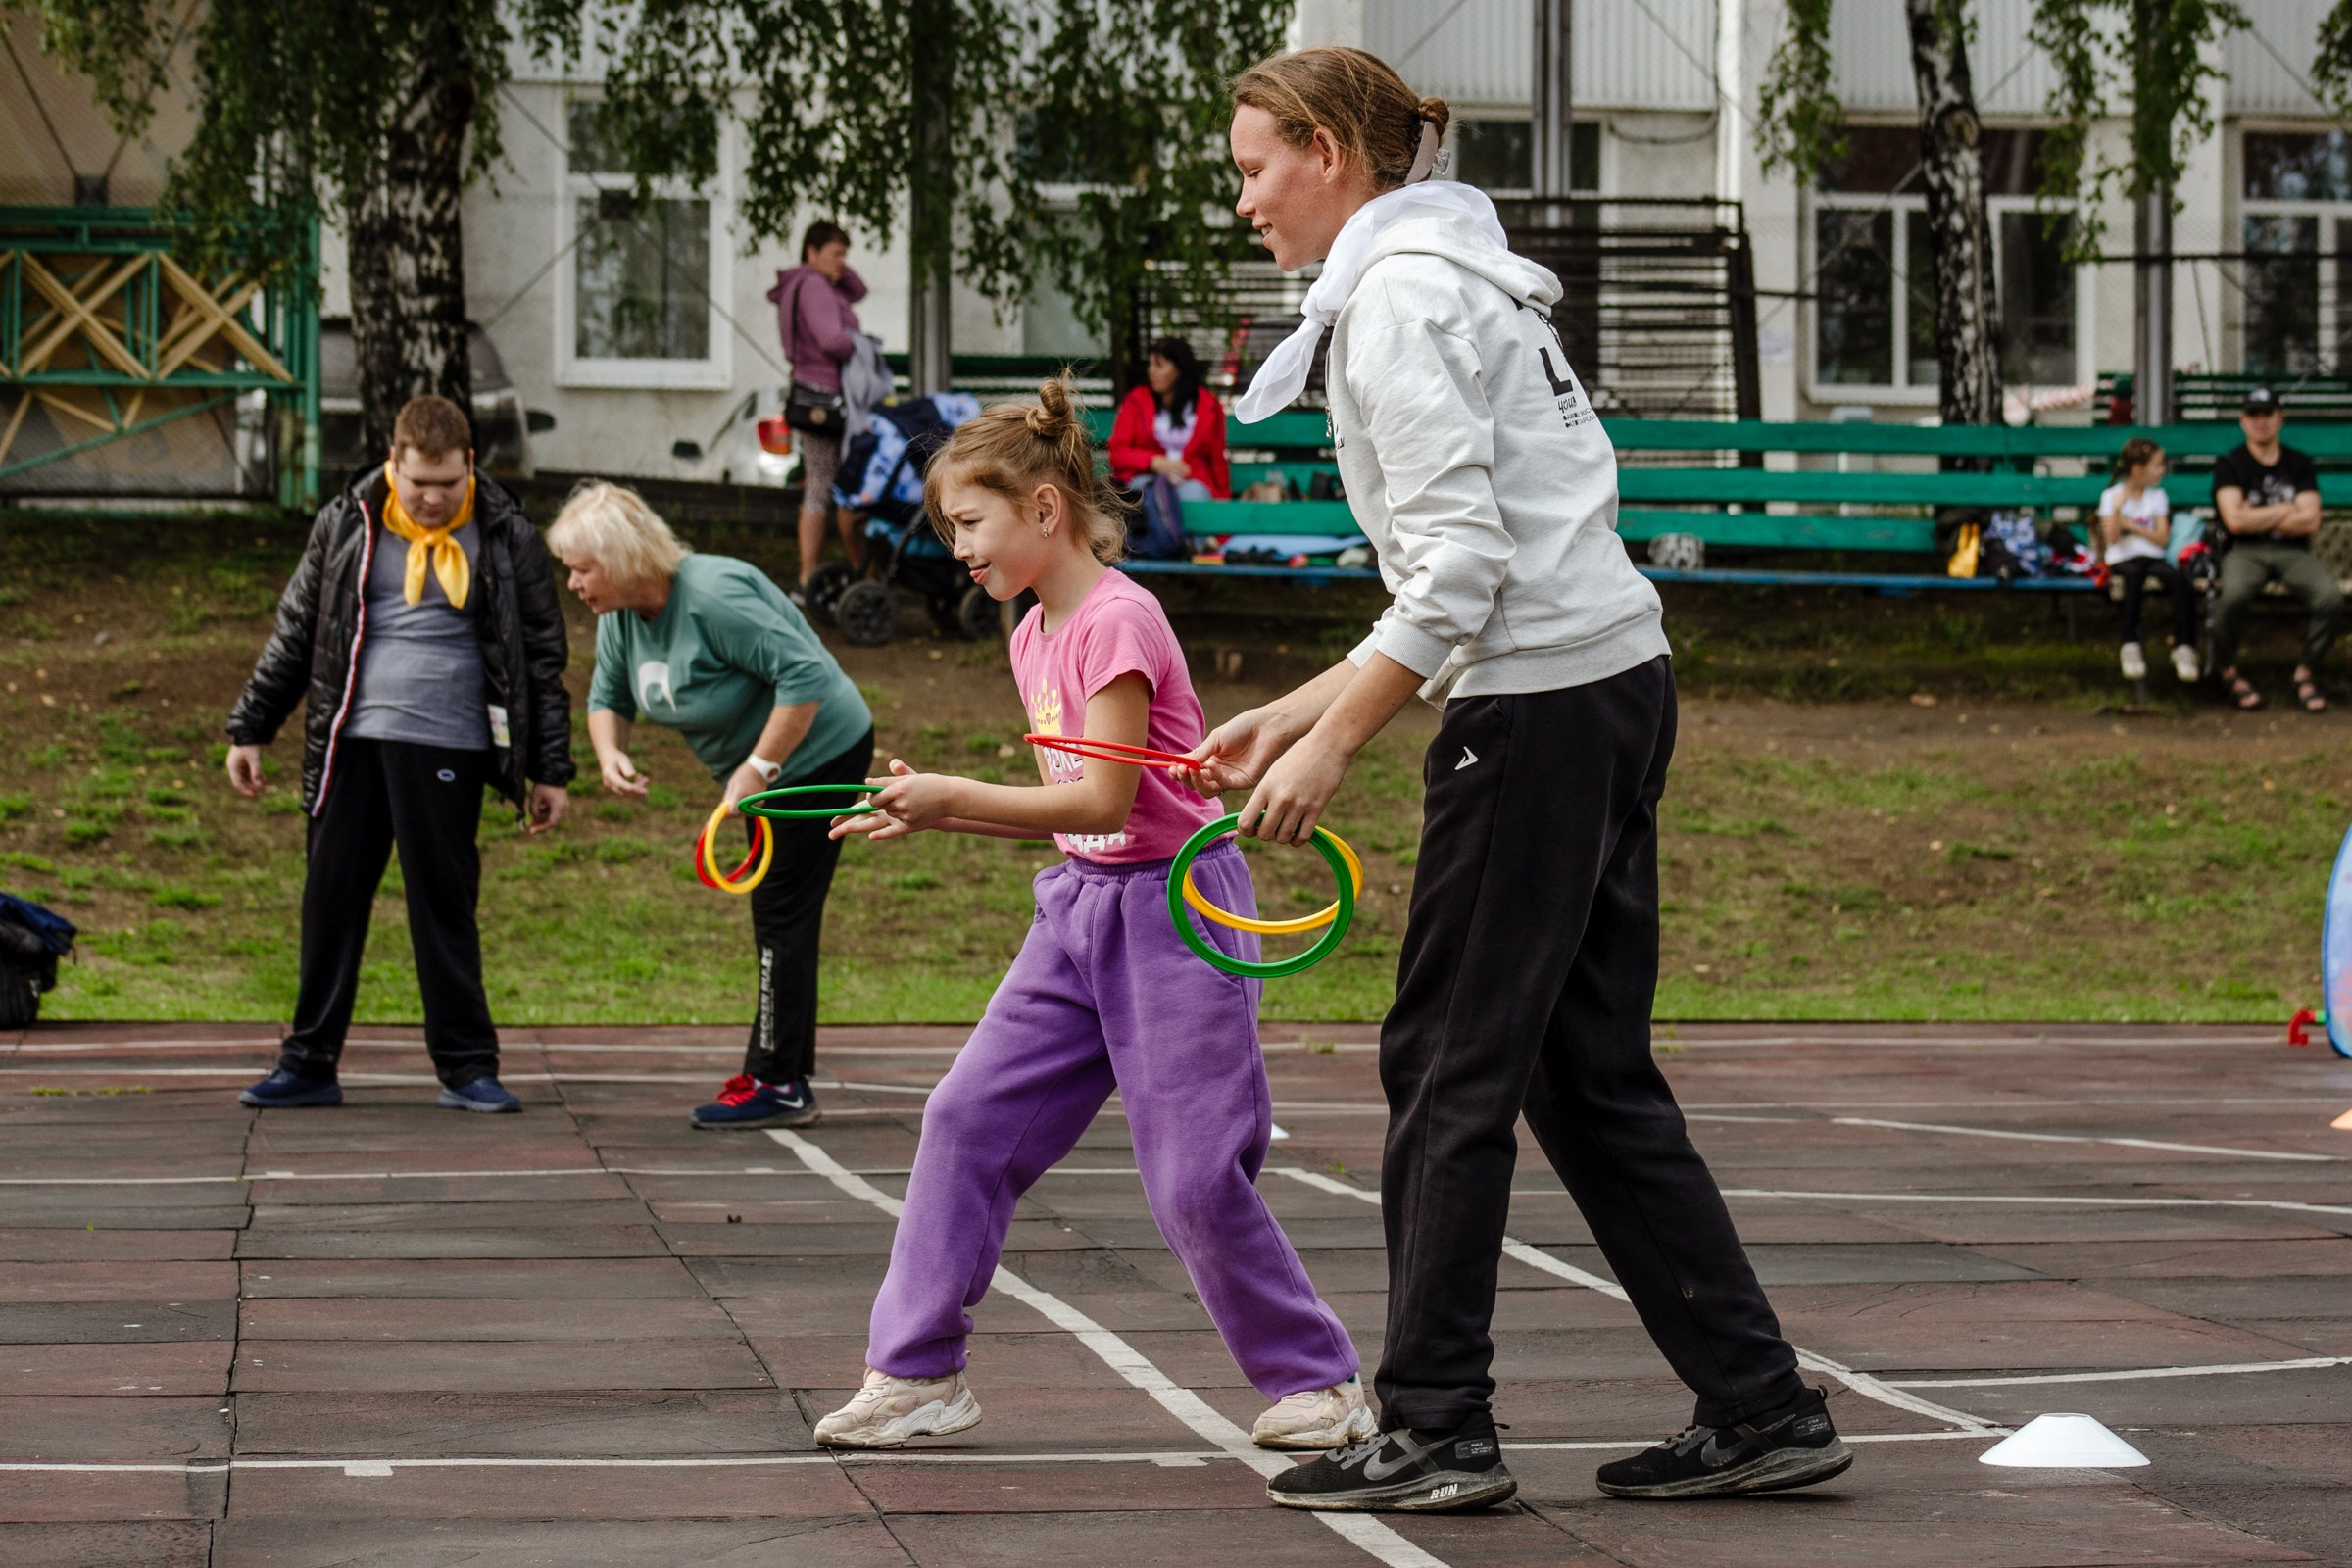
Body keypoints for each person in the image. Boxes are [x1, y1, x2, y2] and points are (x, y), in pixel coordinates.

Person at [1185, 47, 1847, 1513]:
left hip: (1541, 707)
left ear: (1329, 153)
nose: (1244, 203)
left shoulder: (1402, 303)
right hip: (1611, 680)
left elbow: (1468, 570)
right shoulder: (1457, 277)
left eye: (1252, 167)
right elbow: (1476, 560)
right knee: (1585, 1074)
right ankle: (1757, 1400)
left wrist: (1337, 738)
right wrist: (1289, 708)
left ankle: (1435, 1421)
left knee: (1446, 1065)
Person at [808, 381, 1372, 1454]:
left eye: (967, 525)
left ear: (1044, 511)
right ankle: (916, 1372)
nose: (957, 549)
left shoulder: (1119, 617)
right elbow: (1074, 822)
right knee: (964, 1117)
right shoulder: (1030, 633)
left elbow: (1103, 801)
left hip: (1177, 911)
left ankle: (1324, 1383)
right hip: (1078, 909)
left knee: (1195, 1171)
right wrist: (935, 814)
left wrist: (952, 799)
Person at [226, 395, 574, 1115]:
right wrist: (251, 726)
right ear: (394, 464)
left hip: (448, 741)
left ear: (470, 466)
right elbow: (298, 630)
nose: (431, 499)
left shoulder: (505, 533)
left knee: (443, 905)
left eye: (447, 484)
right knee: (330, 901)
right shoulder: (346, 522)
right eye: (418, 483)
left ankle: (468, 1067)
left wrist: (550, 770)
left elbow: (542, 657)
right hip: (352, 738)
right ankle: (308, 1061)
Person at [548, 481, 873, 1129]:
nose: (575, 585)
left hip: (821, 751)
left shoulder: (712, 597)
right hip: (766, 771)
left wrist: (758, 768)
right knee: (781, 910)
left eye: (583, 570)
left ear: (620, 561)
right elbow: (606, 698)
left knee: (780, 908)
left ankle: (778, 1081)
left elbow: (806, 675)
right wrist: (610, 753)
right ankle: (776, 1069)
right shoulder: (619, 618)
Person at [2212, 386, 2340, 711]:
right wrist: (2286, 509)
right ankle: (2227, 671)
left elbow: (2311, 521)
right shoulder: (2230, 464)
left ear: (2279, 418)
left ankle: (2305, 673)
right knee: (2232, 597)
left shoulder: (2298, 463)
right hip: (2244, 550)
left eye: (2267, 414)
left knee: (2330, 598)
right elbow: (2235, 523)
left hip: (2293, 552)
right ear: (2243, 421)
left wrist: (2256, 515)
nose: (2260, 422)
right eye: (2253, 415)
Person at [768, 220, 869, 598]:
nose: (843, 263)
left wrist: (834, 264)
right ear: (811, 251)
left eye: (846, 255)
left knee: (820, 481)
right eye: (836, 254)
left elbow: (859, 290)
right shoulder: (814, 286)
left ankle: (814, 576)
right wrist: (858, 344)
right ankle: (810, 577)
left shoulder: (807, 282)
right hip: (825, 398)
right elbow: (831, 340)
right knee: (823, 485)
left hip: (811, 393)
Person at [2097, 436, 2199, 684]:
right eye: (2157, 465)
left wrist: (2129, 525)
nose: (2162, 470)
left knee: (2179, 580)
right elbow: (2111, 540)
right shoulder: (2111, 497)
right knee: (2133, 577)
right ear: (2137, 469)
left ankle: (2184, 647)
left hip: (2152, 556)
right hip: (2122, 557)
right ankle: (2129, 643)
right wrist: (2117, 512)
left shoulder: (2157, 497)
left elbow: (2162, 539)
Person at [1108, 337, 1232, 503]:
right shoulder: (1136, 401)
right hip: (1146, 479)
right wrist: (1153, 462)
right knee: (1143, 497)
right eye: (1150, 364)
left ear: (1178, 369)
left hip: (1191, 481)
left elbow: (1217, 460)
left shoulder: (1208, 405)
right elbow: (1118, 453)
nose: (1152, 371)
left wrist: (1224, 502)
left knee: (1195, 496)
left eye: (1159, 365)